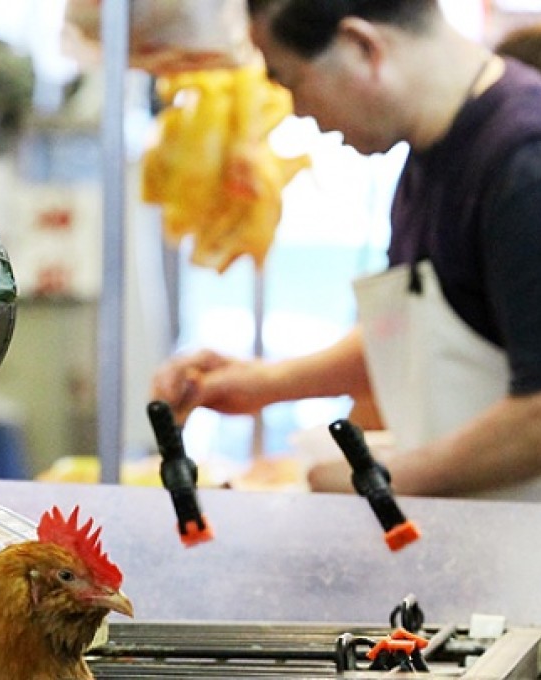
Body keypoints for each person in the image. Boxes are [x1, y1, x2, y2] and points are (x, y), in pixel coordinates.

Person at [151, 0, 541, 499]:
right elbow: (423, 329)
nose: (299, 110)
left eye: (292, 81)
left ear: (362, 47)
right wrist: (264, 383)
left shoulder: (523, 163)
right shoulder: (429, 158)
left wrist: (380, 481)